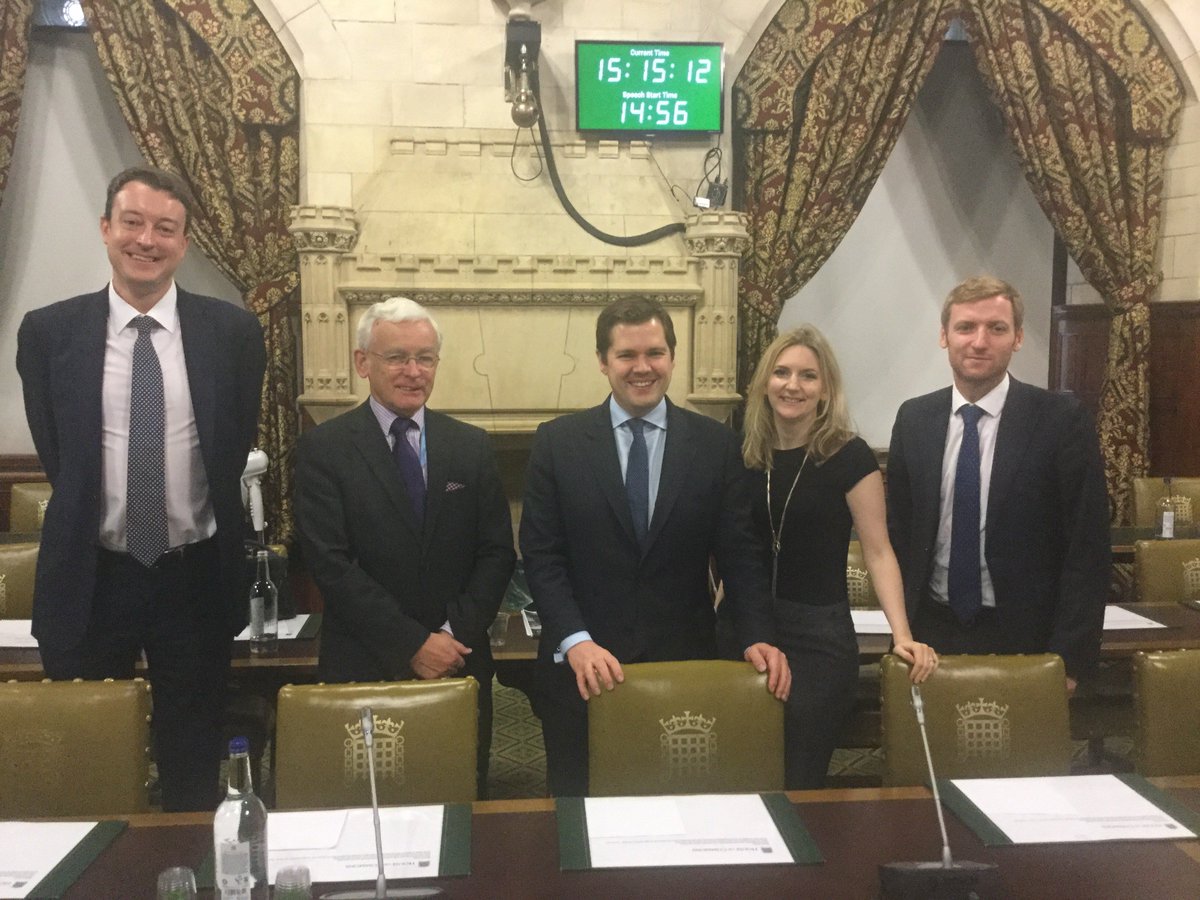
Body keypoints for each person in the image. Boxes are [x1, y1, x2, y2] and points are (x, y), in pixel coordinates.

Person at [17, 165, 265, 811]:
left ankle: (189, 854)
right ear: (106, 228)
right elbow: (59, 453)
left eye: (165, 228)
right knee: (87, 754)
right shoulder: (49, 333)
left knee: (193, 754)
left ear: (184, 242)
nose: (147, 240)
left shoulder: (233, 334)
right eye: (132, 223)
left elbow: (230, 446)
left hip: (194, 576)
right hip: (93, 575)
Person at [520, 297, 791, 796]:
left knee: (679, 807)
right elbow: (542, 555)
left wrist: (757, 633)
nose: (642, 367)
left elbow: (740, 554)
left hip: (683, 665)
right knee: (580, 811)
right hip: (582, 667)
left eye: (655, 353)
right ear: (603, 361)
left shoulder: (714, 445)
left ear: (672, 357)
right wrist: (575, 640)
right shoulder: (558, 443)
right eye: (626, 355)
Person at [294, 296, 515, 797]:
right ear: (362, 362)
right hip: (365, 663)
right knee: (366, 805)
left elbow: (497, 552)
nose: (413, 372)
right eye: (397, 357)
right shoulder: (324, 449)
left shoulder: (470, 445)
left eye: (425, 358)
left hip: (459, 660)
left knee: (460, 801)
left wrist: (451, 635)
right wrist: (412, 644)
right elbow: (330, 564)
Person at [886, 276, 1111, 692]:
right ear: (944, 336)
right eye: (965, 327)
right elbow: (898, 533)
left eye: (996, 328)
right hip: (929, 632)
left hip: (1027, 637)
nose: (979, 341)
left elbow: (1087, 546)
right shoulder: (914, 419)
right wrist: (901, 630)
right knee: (928, 737)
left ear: (1018, 337)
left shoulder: (1060, 420)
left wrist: (1069, 658)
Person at [737, 325, 937, 789]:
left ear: (825, 389)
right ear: (764, 382)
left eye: (808, 376)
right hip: (746, 630)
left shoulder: (849, 456)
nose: (793, 385)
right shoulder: (744, 453)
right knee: (743, 773)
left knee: (799, 776)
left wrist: (902, 634)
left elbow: (878, 551)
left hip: (817, 637)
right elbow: (734, 550)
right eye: (781, 373)